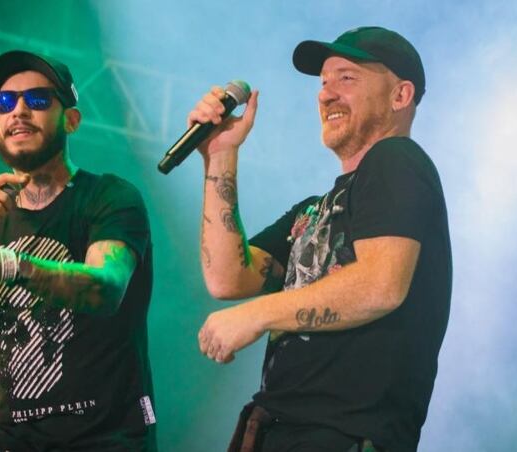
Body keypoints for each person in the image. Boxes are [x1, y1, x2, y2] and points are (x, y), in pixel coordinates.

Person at [190, 27, 452, 451]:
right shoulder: (314, 209)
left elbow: (380, 285)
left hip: (340, 435)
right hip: (279, 430)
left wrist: (258, 314)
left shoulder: (399, 161)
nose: (326, 94)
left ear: (400, 96)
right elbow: (226, 277)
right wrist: (221, 154)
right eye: (324, 82)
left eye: (346, 78)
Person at [0, 50, 156, 452]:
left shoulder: (110, 197)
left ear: (71, 120)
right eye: (4, 102)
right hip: (10, 441)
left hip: (105, 439)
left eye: (38, 100)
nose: (19, 111)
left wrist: (9, 265)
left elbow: (106, 288)